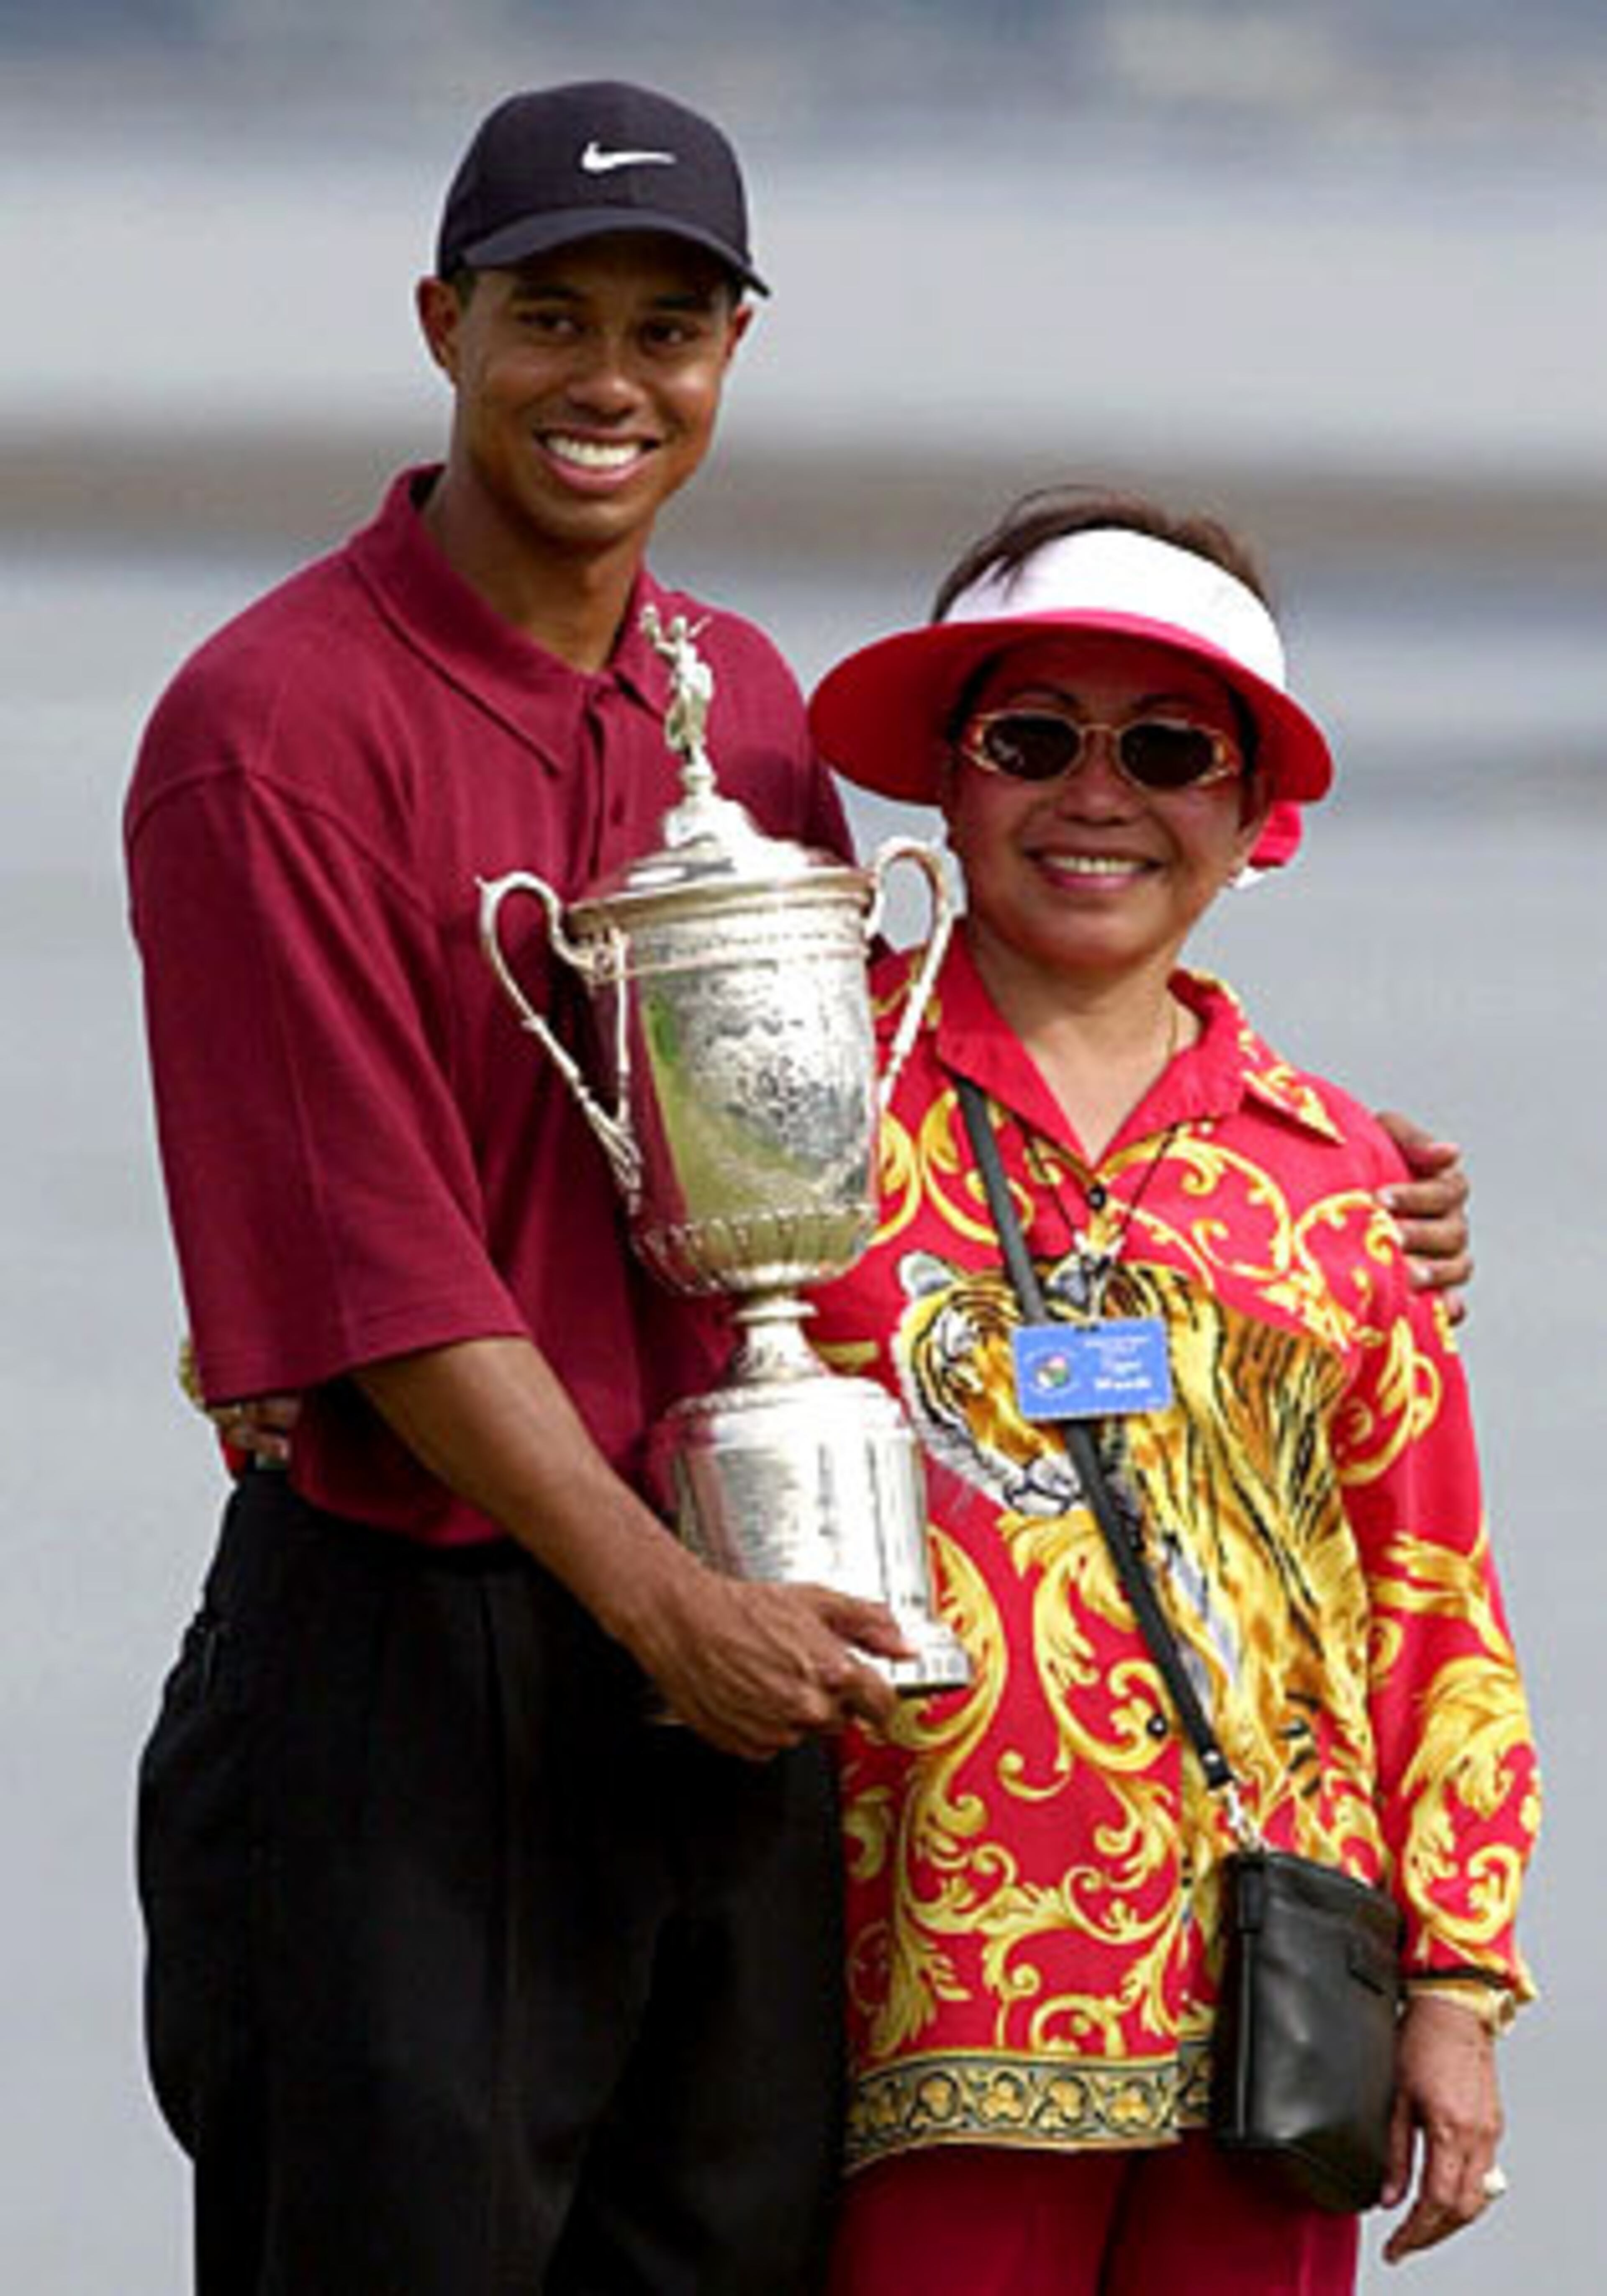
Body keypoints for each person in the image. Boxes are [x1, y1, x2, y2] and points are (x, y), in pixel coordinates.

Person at [125, 81, 915, 2296]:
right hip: (415, 1669)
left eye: (669, 326)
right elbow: (378, 1270)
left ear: (733, 357)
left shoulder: (739, 703)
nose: (608, 382)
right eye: (547, 316)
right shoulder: (269, 724)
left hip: (720, 1642)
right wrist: (671, 1611)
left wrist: (1324, 1181)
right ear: (439, 324)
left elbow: (833, 1162)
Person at [802, 489, 1538, 2296]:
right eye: (1035, 738)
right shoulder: (805, 1102)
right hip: (892, 1995)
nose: (1099, 795)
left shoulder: (1341, 1180)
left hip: (1268, 2011)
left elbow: (1432, 1605)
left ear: (1253, 816)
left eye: (1171, 750)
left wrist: (1455, 1987)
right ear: (950, 779)